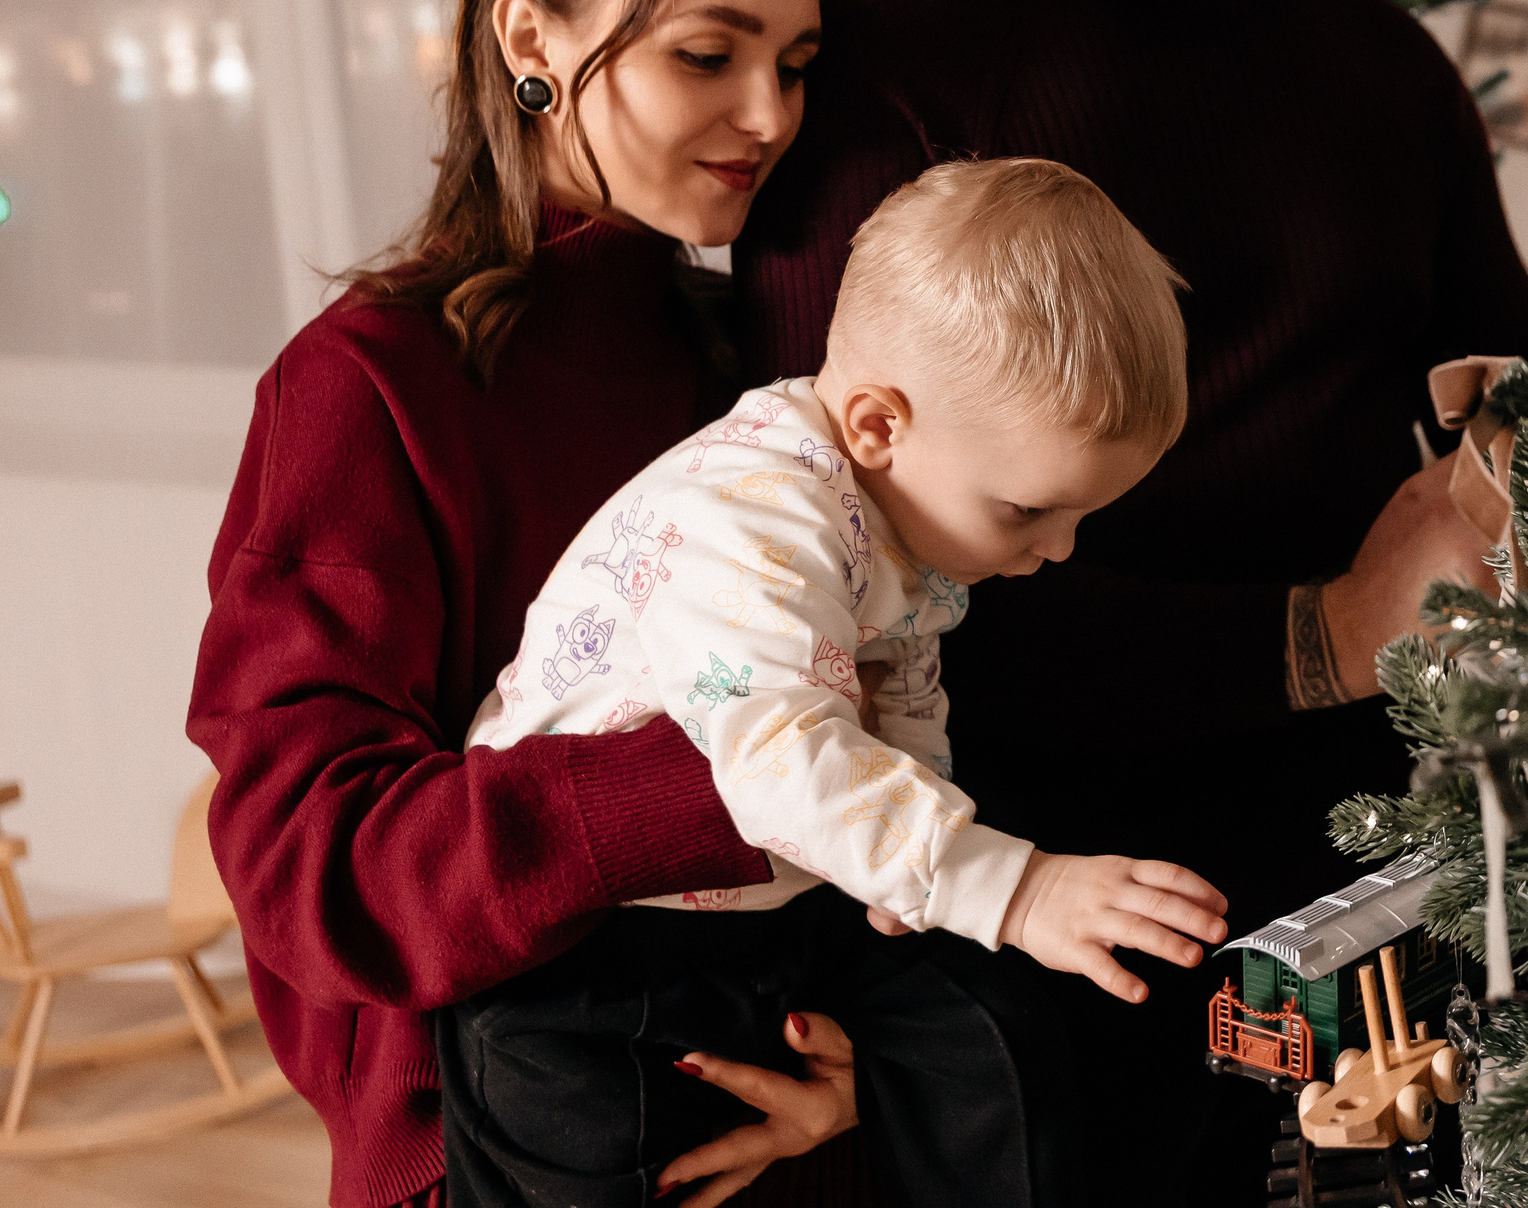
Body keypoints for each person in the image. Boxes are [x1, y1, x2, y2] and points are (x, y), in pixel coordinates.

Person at [736, 0, 1528, 1197]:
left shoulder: (1381, 70)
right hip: (1026, 925)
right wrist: (1317, 634)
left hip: (1382, 883)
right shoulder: (888, 73)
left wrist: (1517, 496)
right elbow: (834, 597)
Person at [188, 0, 873, 1208]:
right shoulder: (364, 388)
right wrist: (711, 781)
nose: (770, 115)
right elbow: (310, 866)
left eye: (796, 65)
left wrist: (857, 1069)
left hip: (764, 1111)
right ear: (530, 42)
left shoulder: (753, 363)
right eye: (707, 54)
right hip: (478, 1152)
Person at [444, 157, 1232, 1208]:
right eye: (1029, 511)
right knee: (589, 1149)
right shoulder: (750, 521)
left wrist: (910, 876)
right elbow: (786, 765)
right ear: (878, 426)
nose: (1057, 550)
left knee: (992, 1030)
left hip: (776, 895)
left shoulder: (902, 512)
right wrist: (1013, 885)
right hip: (586, 937)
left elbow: (901, 692)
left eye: (1081, 516)